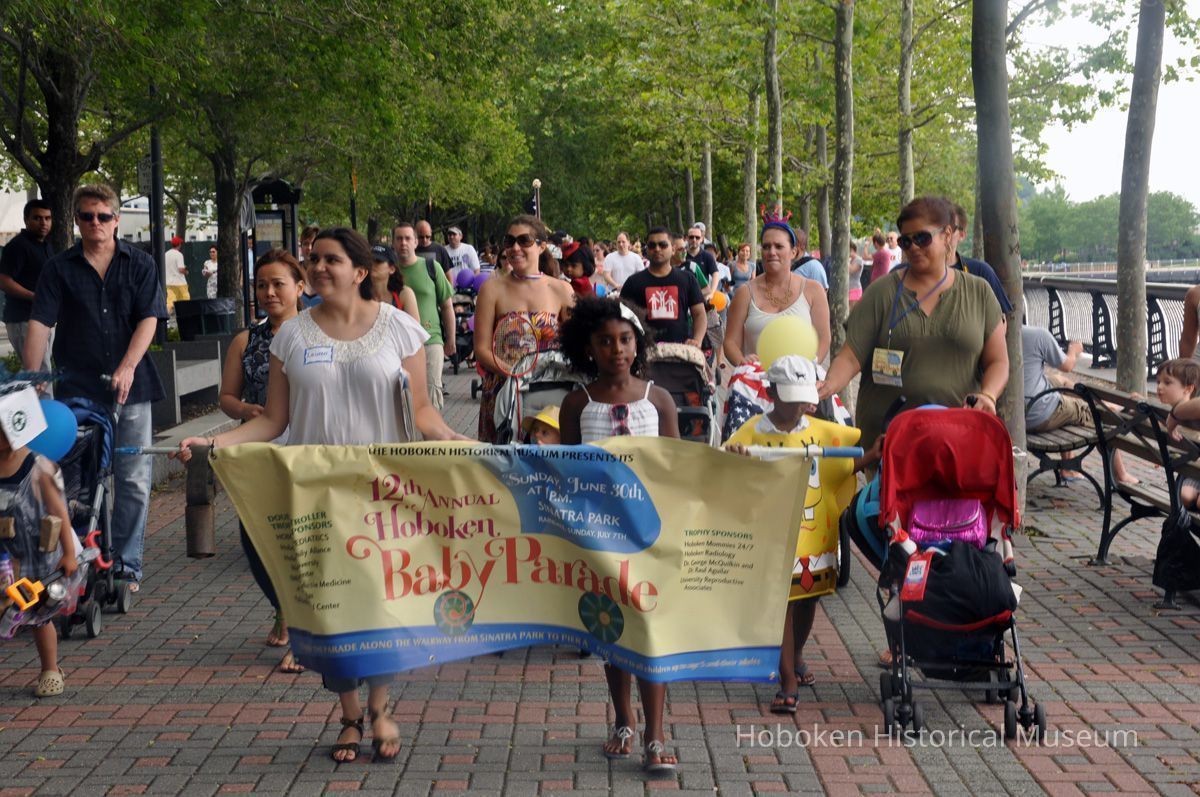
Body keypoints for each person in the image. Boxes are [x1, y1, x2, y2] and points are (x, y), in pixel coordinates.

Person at [178, 227, 463, 763]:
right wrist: (210, 442)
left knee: (381, 606)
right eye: (314, 259)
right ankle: (349, 715)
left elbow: (423, 414)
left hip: (385, 495)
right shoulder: (292, 337)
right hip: (317, 498)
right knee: (332, 608)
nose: (320, 267)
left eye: (332, 259)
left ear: (360, 272)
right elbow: (274, 421)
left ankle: (379, 709)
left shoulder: (401, 330)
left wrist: (458, 441)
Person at [557, 297, 680, 775]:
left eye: (625, 339)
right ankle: (623, 717)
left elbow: (678, 470)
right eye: (605, 341)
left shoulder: (659, 400)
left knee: (651, 632)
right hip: (599, 539)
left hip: (651, 535)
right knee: (611, 630)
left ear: (638, 341)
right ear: (587, 347)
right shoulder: (577, 404)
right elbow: (567, 476)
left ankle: (655, 730)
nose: (616, 350)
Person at [25, 183, 167, 591]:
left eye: (104, 216)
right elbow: (40, 324)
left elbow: (149, 319)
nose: (96, 223)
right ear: (76, 220)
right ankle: (82, 558)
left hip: (132, 387)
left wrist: (127, 367)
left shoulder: (139, 263)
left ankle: (126, 564)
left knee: (134, 478)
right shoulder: (58, 268)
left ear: (117, 220)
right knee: (77, 481)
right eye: (87, 216)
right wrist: (34, 375)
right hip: (77, 388)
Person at [725, 356, 875, 713]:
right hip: (773, 533)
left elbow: (842, 466)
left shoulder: (823, 431)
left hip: (814, 533)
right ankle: (787, 678)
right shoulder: (751, 433)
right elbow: (726, 471)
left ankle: (796, 653)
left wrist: (871, 455)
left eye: (802, 398)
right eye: (788, 397)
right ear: (772, 392)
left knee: (809, 598)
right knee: (782, 605)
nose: (796, 406)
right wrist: (734, 459)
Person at [818, 196, 1008, 451]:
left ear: (947, 235)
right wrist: (827, 386)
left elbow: (998, 360)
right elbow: (851, 356)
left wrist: (988, 395)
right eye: (906, 241)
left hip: (957, 440)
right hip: (888, 444)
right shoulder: (882, 292)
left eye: (922, 238)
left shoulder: (979, 292)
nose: (913, 247)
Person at [216, 249, 305, 672]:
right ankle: (283, 603)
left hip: (305, 447)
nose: (269, 293)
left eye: (278, 284)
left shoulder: (315, 334)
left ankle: (298, 619)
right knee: (255, 535)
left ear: (299, 287)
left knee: (300, 536)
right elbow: (227, 397)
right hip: (259, 446)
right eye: (262, 285)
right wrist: (246, 411)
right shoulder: (245, 339)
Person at [0, 387, 77, 697]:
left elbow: (59, 510)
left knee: (38, 615)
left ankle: (50, 668)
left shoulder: (38, 467)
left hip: (36, 553)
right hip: (5, 555)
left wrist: (70, 552)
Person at [474, 215, 575, 442]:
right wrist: (514, 374)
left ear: (542, 246)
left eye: (524, 241)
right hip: (503, 392)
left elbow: (574, 345)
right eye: (509, 241)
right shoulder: (491, 289)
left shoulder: (561, 289)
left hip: (549, 393)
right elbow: (481, 349)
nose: (515, 248)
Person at [724, 214, 831, 368]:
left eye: (779, 246)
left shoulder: (813, 290)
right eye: (766, 246)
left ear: (793, 252)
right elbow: (730, 342)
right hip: (757, 384)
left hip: (801, 384)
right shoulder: (745, 293)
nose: (771, 252)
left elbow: (823, 339)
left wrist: (809, 368)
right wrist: (743, 362)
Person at [392, 223, 455, 411]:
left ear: (415, 242)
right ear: (393, 243)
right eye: (399, 238)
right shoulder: (389, 272)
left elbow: (446, 306)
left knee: (431, 393)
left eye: (408, 238)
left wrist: (450, 338)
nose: (403, 243)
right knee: (403, 398)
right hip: (398, 344)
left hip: (430, 339)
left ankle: (433, 437)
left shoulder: (431, 266)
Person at [619, 227, 706, 347]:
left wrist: (697, 340)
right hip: (644, 353)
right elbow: (622, 318)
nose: (657, 249)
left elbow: (699, 314)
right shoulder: (633, 282)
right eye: (652, 245)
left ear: (673, 249)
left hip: (681, 352)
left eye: (663, 245)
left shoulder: (687, 279)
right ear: (647, 250)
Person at [0, 199, 55, 375]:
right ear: (26, 220)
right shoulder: (17, 246)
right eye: (37, 218)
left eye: (47, 218)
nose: (43, 223)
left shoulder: (46, 246)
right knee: (40, 375)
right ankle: (42, 404)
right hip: (23, 319)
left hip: (43, 318)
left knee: (40, 374)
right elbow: (4, 281)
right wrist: (34, 296)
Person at [951, 204, 1012, 313]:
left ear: (962, 235)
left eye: (949, 228)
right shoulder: (913, 273)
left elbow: (1002, 317)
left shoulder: (981, 272)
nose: (942, 233)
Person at [369, 244, 420, 323]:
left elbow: (415, 332)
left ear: (392, 269)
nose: (372, 264)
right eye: (370, 260)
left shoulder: (404, 294)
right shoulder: (359, 293)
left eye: (378, 261)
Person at [683, 225, 718, 299]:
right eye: (691, 237)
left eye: (697, 237)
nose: (694, 240)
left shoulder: (707, 256)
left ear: (702, 239)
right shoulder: (682, 255)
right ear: (687, 238)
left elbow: (715, 274)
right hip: (684, 295)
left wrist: (711, 293)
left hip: (702, 295)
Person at [299, 225, 323, 308]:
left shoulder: (327, 272)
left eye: (313, 244)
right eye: (305, 243)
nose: (309, 248)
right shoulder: (293, 271)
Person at [164, 235, 189, 312]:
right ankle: (185, 317)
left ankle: (167, 319)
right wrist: (186, 272)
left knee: (170, 302)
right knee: (185, 300)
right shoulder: (179, 254)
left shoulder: (166, 254)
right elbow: (181, 269)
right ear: (179, 245)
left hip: (169, 282)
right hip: (180, 282)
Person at [848, 242, 864, 306]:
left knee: (852, 311)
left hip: (855, 289)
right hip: (849, 288)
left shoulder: (859, 260)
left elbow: (851, 270)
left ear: (852, 250)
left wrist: (845, 258)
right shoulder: (850, 260)